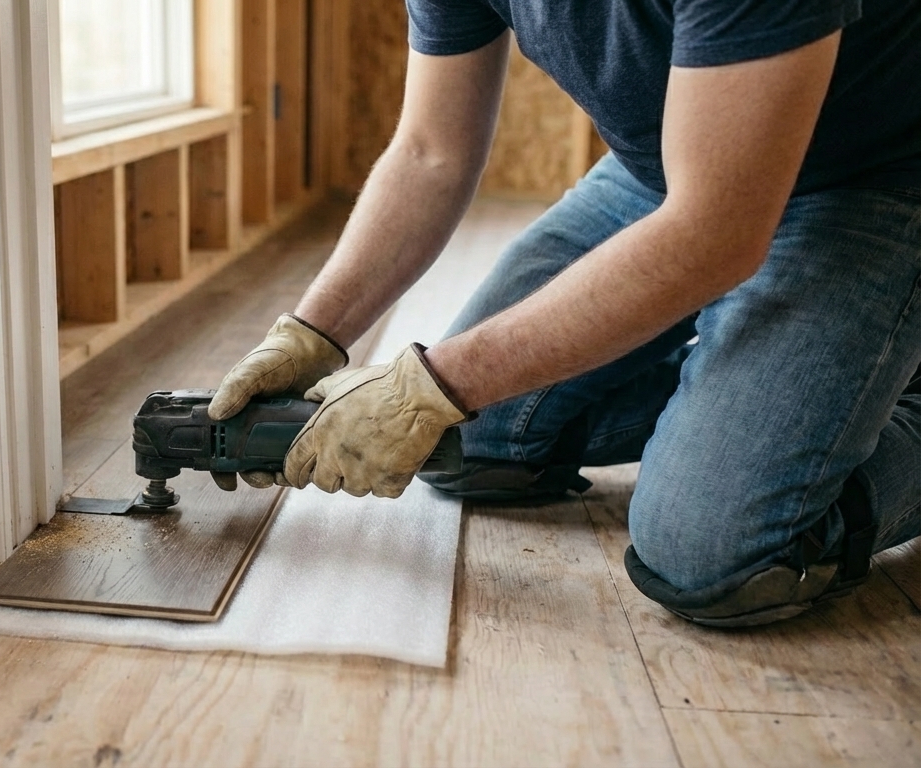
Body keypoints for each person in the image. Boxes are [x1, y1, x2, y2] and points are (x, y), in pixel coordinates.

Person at [206, 0, 921, 627]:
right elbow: (429, 153)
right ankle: (802, 393)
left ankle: (863, 392)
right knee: (473, 441)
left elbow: (716, 234)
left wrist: (432, 384)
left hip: (874, 177)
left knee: (714, 554)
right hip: (669, 167)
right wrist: (314, 333)